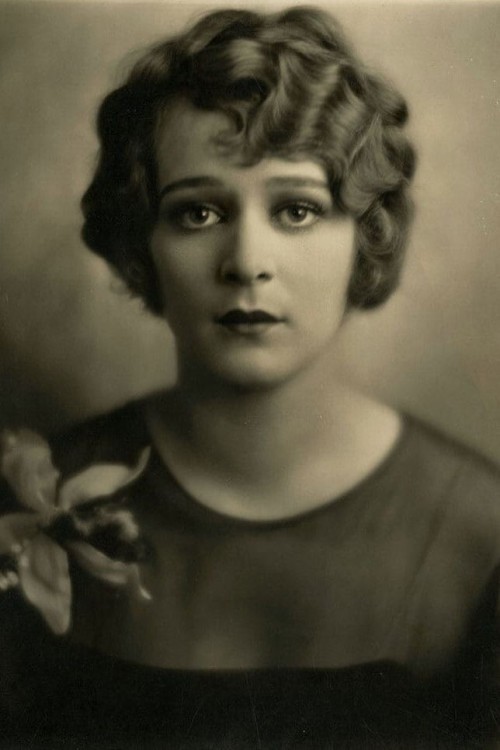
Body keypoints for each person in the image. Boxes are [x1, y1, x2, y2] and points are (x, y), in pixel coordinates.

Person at [0, 5, 499, 748]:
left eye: (297, 210)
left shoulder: (480, 535)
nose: (246, 263)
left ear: (365, 237)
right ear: (142, 242)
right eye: (198, 214)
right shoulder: (32, 510)